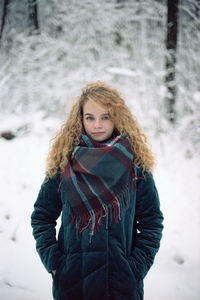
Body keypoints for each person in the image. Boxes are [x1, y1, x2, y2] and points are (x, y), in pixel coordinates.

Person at [31, 81, 163, 300]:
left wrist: (135, 269)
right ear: (80, 119)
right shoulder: (64, 164)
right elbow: (42, 217)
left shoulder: (135, 166)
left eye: (106, 117)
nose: (97, 125)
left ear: (117, 118)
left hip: (120, 287)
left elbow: (151, 222)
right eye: (90, 117)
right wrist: (55, 264)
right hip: (73, 285)